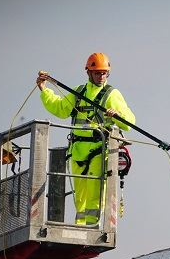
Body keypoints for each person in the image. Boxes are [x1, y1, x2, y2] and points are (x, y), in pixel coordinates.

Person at [36, 52, 136, 225]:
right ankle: (79, 227)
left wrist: (117, 115)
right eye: (97, 72)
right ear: (88, 72)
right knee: (80, 195)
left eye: (104, 73)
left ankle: (92, 227)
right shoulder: (79, 92)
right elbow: (60, 108)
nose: (101, 76)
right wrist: (44, 90)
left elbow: (130, 122)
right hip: (77, 152)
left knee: (94, 192)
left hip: (98, 152)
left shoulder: (111, 94)